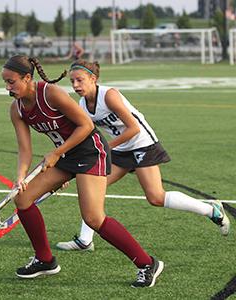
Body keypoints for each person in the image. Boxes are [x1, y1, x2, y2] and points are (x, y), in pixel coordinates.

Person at [2, 54, 163, 288]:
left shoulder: (51, 93)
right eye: (5, 82)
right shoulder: (16, 109)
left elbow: (87, 126)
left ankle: (147, 263)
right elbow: (24, 149)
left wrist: (57, 154)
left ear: (27, 78)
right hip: (66, 155)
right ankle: (45, 260)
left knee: (94, 218)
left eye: (11, 81)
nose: (8, 87)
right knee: (23, 197)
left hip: (91, 152)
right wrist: (21, 176)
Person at [56, 60, 230, 252]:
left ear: (93, 78)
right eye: (72, 81)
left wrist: (106, 147)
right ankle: (85, 240)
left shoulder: (109, 95)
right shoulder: (82, 104)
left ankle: (211, 210)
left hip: (142, 144)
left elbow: (134, 128)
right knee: (93, 189)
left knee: (155, 197)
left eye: (79, 80)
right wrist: (66, 166)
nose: (75, 86)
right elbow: (84, 138)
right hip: (121, 149)